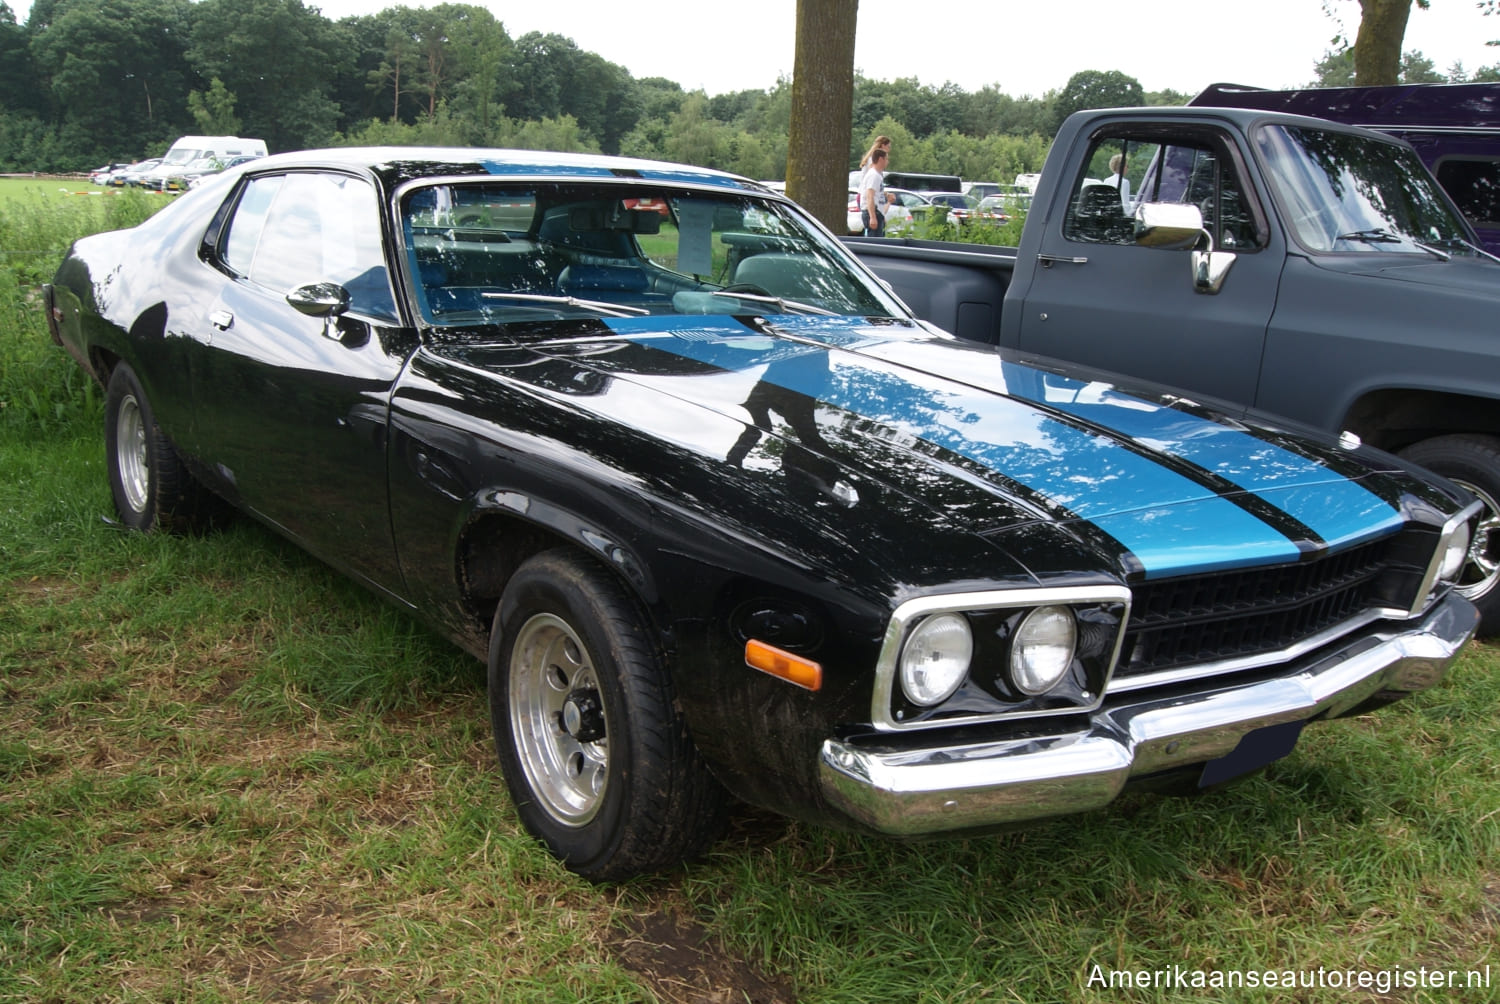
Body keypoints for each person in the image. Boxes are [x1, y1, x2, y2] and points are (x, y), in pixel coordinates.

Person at [860, 147, 888, 237]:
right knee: (874, 243)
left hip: (877, 212)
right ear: (880, 159)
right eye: (886, 159)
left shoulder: (878, 175)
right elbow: (870, 196)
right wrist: (872, 217)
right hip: (871, 213)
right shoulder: (873, 175)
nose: (887, 162)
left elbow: (878, 196)